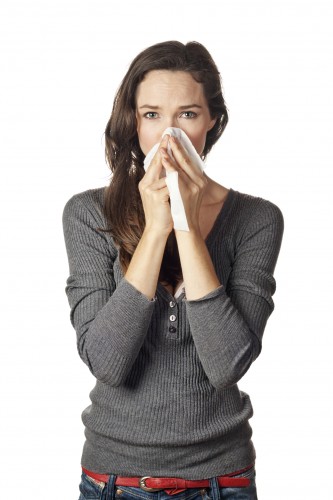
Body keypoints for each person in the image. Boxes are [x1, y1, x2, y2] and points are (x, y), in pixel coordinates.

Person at [62, 40, 284, 500]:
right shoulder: (87, 214)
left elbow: (227, 364)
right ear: (132, 122)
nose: (168, 134)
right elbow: (106, 361)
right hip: (114, 480)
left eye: (186, 115)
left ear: (212, 123)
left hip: (221, 481)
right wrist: (156, 228)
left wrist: (186, 225)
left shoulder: (257, 219)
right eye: (151, 115)